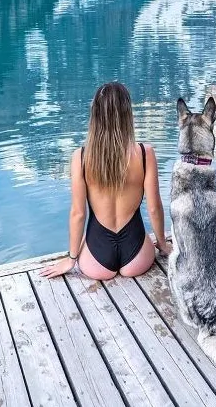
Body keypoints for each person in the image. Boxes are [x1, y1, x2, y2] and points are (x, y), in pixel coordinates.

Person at [41, 82, 171, 280]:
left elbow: (78, 213)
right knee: (145, 239)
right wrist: (162, 244)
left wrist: (71, 258)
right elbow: (154, 207)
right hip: (137, 256)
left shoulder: (81, 157)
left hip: (96, 259)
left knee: (87, 237)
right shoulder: (145, 153)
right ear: (128, 113)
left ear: (95, 115)